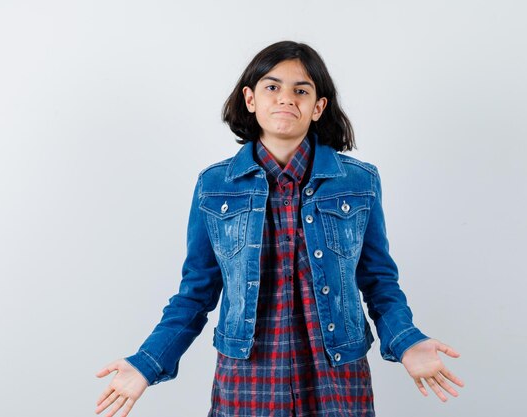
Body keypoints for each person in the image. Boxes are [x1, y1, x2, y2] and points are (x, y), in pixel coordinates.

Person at [94, 40, 465, 417]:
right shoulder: (215, 185)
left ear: (318, 106)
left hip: (335, 377)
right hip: (248, 380)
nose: (286, 98)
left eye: (301, 90)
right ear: (250, 99)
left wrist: (406, 341)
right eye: (272, 87)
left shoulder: (358, 181)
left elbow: (378, 281)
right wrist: (148, 361)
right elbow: (196, 293)